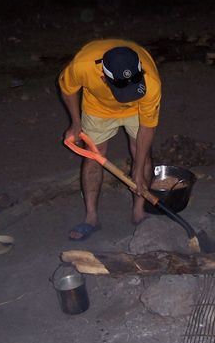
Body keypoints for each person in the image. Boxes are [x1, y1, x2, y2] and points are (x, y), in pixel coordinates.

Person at [58, 39, 161, 240]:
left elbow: (147, 128)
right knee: (94, 157)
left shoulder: (151, 82)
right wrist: (75, 123)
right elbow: (67, 90)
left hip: (137, 109)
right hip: (98, 108)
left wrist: (138, 170)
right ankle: (91, 218)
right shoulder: (82, 66)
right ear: (104, 78)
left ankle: (139, 212)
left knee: (143, 155)